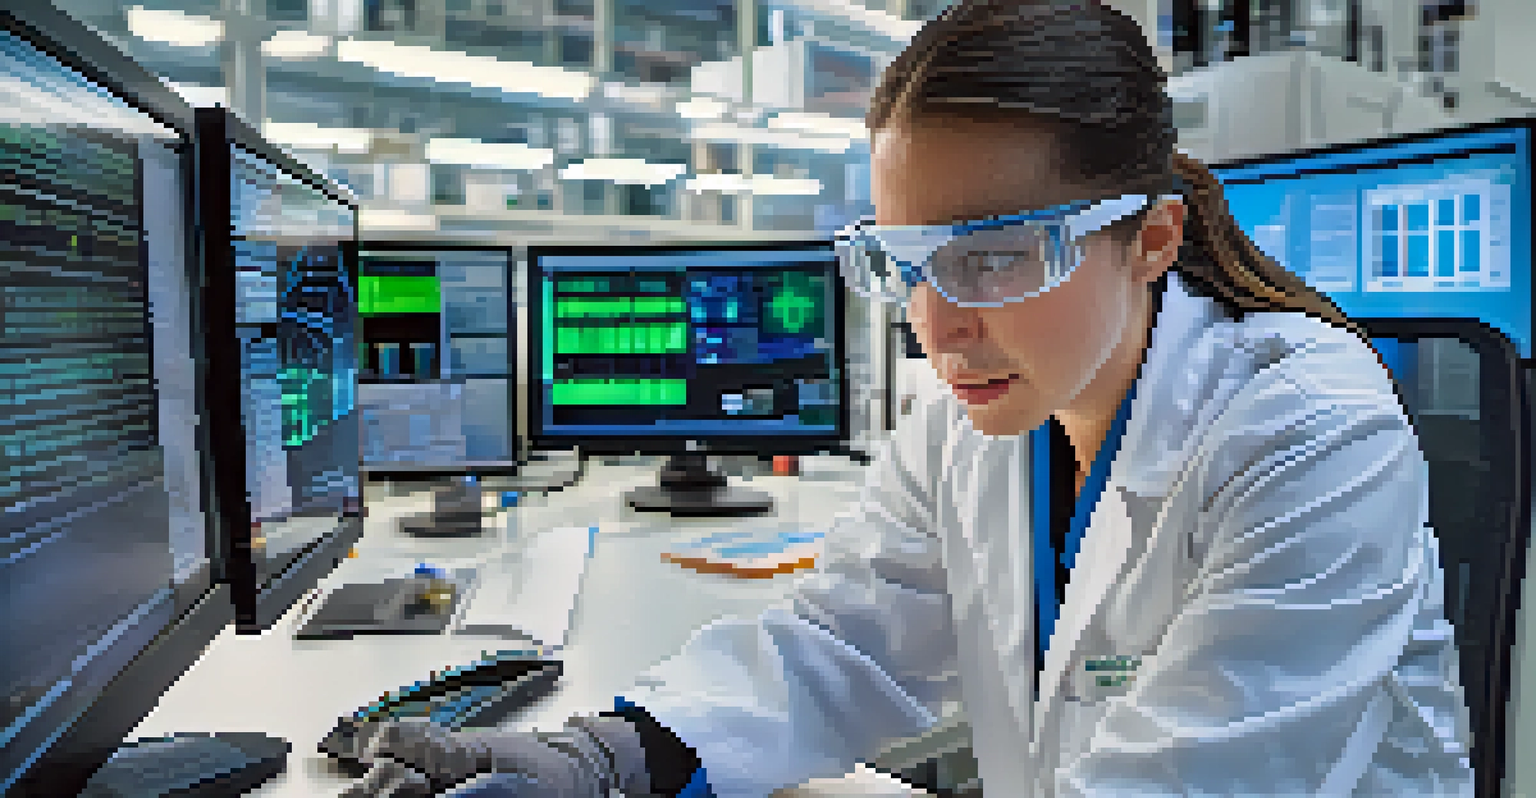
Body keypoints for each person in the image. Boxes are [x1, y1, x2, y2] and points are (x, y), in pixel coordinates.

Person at [341, 1, 1476, 796]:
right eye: (909, 261)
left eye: (996, 255)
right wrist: (618, 752)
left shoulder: (1310, 433)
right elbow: (846, 645)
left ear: (1153, 239)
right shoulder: (978, 428)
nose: (936, 326)